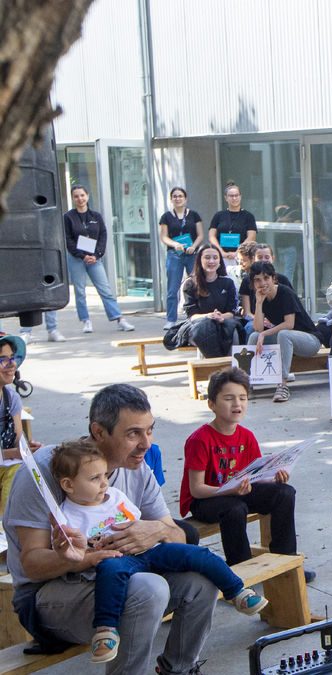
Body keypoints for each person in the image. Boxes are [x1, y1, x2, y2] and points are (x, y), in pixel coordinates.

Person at [2, 383, 219, 675]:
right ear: (99, 432)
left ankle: (178, 669)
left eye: (149, 430)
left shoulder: (137, 468)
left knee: (201, 581)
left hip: (123, 577)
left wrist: (155, 530)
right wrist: (74, 557)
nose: (146, 444)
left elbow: (177, 535)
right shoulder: (47, 471)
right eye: (133, 433)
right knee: (149, 588)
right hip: (48, 596)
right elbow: (31, 567)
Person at [50, 438, 266, 664]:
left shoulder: (115, 496)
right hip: (118, 560)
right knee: (109, 570)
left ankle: (237, 591)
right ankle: (106, 630)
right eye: (95, 478)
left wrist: (144, 531)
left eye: (105, 475)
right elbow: (76, 551)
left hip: (149, 551)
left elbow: (137, 521)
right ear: (68, 485)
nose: (104, 483)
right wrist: (89, 549)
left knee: (197, 554)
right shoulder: (66, 515)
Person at [181, 368, 315, 586]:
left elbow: (256, 475)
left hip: (239, 491)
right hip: (207, 500)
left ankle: (285, 561)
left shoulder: (247, 436)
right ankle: (240, 569)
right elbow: (196, 489)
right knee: (235, 508)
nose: (237, 404)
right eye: (228, 398)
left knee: (284, 493)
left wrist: (275, 477)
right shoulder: (200, 439)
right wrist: (230, 490)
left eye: (242, 398)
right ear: (211, 404)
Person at [42, 185, 135, 340]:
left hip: (94, 258)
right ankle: (86, 321)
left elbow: (103, 235)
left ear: (88, 196)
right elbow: (68, 240)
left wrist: (97, 254)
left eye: (82, 195)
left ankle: (119, 319)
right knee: (80, 290)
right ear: (72, 198)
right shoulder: (68, 217)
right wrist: (81, 255)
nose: (80, 199)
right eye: (76, 196)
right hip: (76, 258)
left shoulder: (95, 216)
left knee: (105, 289)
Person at [246, 261, 322, 403]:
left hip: (310, 341)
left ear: (273, 278)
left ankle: (283, 385)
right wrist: (259, 303)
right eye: (257, 280)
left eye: (266, 278)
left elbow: (289, 324)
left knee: (283, 333)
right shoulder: (260, 297)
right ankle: (247, 383)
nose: (262, 283)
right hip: (287, 341)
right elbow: (258, 328)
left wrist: (264, 334)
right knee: (254, 336)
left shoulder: (285, 292)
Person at [182, 244, 240, 358]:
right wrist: (209, 316)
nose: (211, 261)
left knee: (233, 330)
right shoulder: (190, 283)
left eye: (215, 258)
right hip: (199, 324)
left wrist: (220, 317)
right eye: (207, 257)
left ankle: (232, 368)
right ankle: (210, 368)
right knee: (205, 331)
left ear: (220, 261)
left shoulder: (227, 282)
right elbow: (191, 315)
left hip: (223, 321)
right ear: (200, 260)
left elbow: (232, 312)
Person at [0, 333, 35, 517]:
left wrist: (28, 449)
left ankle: (6, 529)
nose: (12, 364)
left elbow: (17, 441)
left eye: (12, 358)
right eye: (3, 360)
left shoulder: (10, 397)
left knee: (21, 469)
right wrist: (13, 453)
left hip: (5, 467)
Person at [158, 187, 202, 329]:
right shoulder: (166, 217)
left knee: (197, 284)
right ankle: (171, 319)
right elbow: (164, 237)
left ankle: (197, 316)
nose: (178, 199)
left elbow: (200, 234)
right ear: (171, 199)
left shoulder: (194, 215)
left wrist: (194, 246)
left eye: (180, 196)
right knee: (173, 288)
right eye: (175, 196)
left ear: (186, 198)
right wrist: (175, 244)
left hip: (191, 254)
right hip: (174, 255)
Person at [239, 243, 295, 336]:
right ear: (253, 259)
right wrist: (260, 320)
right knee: (250, 328)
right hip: (255, 319)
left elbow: (290, 309)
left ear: (272, 258)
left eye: (267, 257)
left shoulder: (283, 280)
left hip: (279, 321)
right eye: (260, 257)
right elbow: (247, 312)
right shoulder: (246, 281)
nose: (264, 260)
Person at [208, 181, 257, 272]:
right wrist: (221, 252)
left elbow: (251, 237)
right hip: (221, 257)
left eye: (237, 195)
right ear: (226, 198)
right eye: (231, 196)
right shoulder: (219, 215)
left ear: (240, 197)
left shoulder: (248, 216)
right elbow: (211, 236)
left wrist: (237, 252)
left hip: (240, 258)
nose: (234, 198)